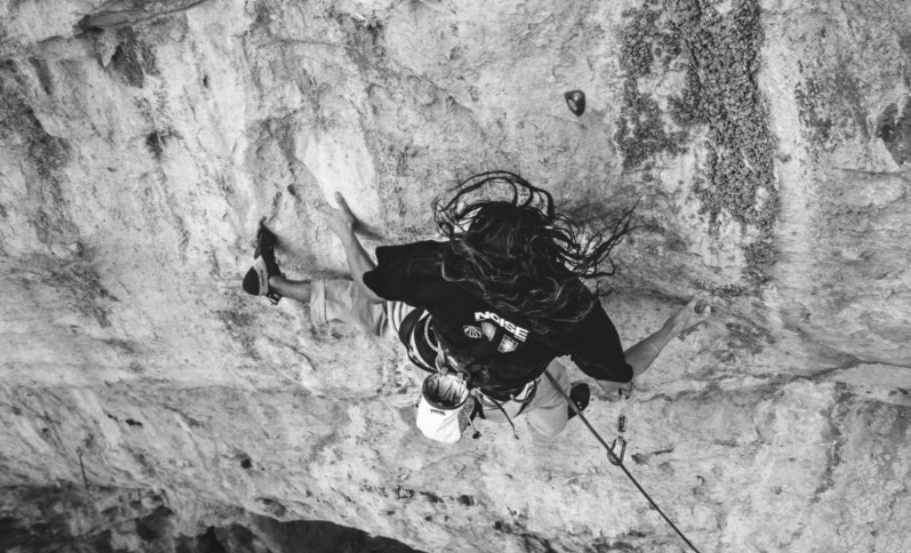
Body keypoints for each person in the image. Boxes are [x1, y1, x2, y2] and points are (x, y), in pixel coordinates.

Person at [242, 171, 710, 438]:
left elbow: (619, 373)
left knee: (555, 424)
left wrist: (676, 325)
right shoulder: (460, 274)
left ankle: (278, 287)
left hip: (484, 357)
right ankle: (277, 286)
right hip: (426, 328)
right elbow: (374, 287)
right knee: (363, 308)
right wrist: (344, 232)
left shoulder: (554, 309)